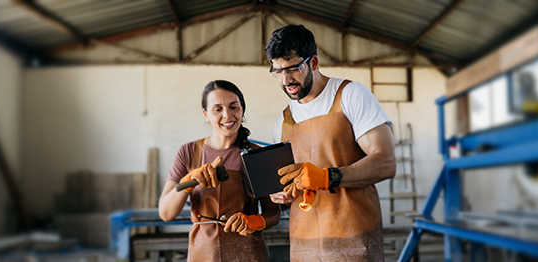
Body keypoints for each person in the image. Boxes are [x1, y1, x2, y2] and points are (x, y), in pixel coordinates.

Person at [264, 24, 396, 261]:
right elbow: (291, 184)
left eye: (293, 68)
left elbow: (386, 162)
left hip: (354, 241)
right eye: (277, 71)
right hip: (304, 245)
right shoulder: (283, 120)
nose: (285, 80)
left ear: (313, 63)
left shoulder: (350, 95)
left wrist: (327, 177)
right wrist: (283, 194)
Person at [158, 80, 281, 262]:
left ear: (242, 110)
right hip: (202, 254)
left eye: (233, 107)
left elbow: (274, 213)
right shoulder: (188, 152)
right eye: (218, 109)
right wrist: (187, 181)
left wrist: (253, 221)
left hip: (248, 253)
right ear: (206, 114)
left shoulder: (257, 155)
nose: (227, 115)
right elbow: (166, 213)